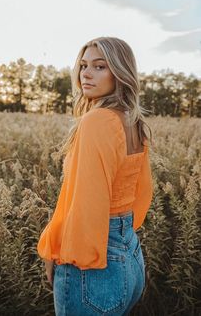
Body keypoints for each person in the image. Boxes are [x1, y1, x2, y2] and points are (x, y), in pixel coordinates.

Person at [37, 36, 154, 315]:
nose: (85, 74)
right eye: (83, 65)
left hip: (95, 263)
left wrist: (57, 252)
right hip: (130, 256)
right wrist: (121, 237)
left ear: (120, 72)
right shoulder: (133, 120)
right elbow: (141, 192)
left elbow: (87, 200)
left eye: (99, 66)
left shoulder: (97, 120)